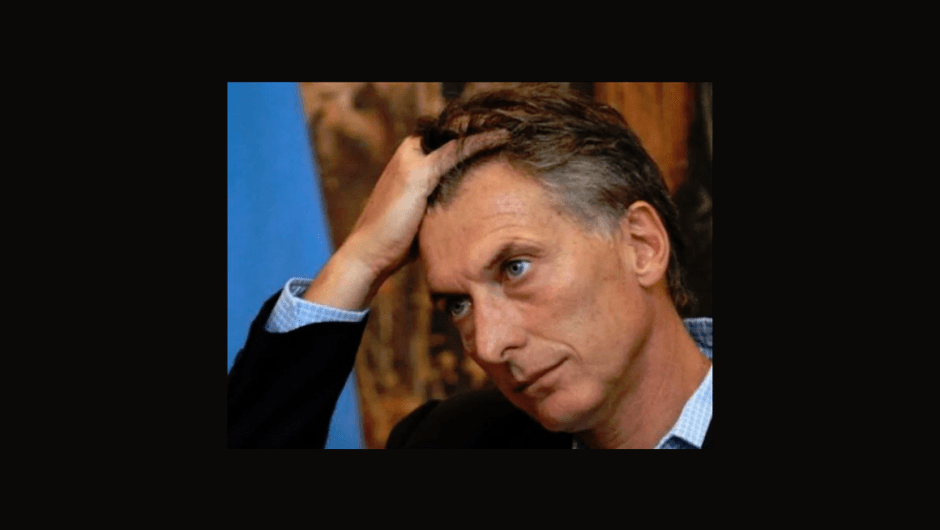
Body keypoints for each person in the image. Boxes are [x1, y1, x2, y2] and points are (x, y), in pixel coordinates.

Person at [227, 84, 712, 449]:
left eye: (515, 268)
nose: (490, 344)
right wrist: (361, 258)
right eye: (458, 304)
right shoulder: (446, 441)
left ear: (641, 246)